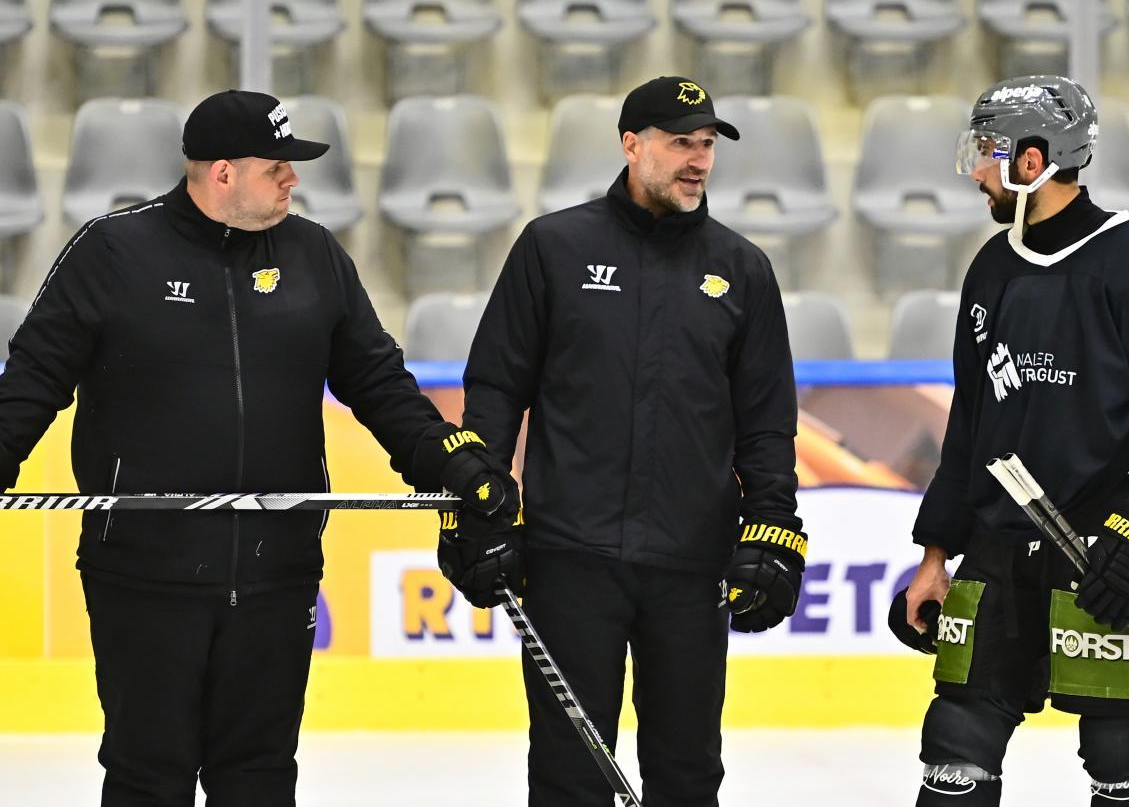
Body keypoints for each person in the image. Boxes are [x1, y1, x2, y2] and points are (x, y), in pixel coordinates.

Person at [0, 89, 519, 807]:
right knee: (148, 774)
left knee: (260, 775)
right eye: (276, 166)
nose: (292, 180)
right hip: (145, 574)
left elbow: (378, 384)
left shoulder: (312, 255)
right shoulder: (114, 251)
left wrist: (452, 459)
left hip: (279, 572)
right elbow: (30, 380)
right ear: (220, 173)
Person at [448, 75, 807, 806]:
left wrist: (772, 527)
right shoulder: (553, 247)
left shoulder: (741, 270)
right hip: (569, 559)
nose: (698, 160)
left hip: (691, 563)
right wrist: (478, 509)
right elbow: (494, 391)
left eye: (707, 145)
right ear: (631, 144)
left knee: (686, 772)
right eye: (681, 143)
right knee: (568, 772)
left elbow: (766, 419)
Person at [894, 75, 1129, 806]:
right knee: (955, 743)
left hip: (1105, 550)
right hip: (999, 549)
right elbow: (969, 425)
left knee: (1121, 748)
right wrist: (935, 557)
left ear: (1031, 161)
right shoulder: (992, 269)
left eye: (987, 152)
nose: (976, 170)